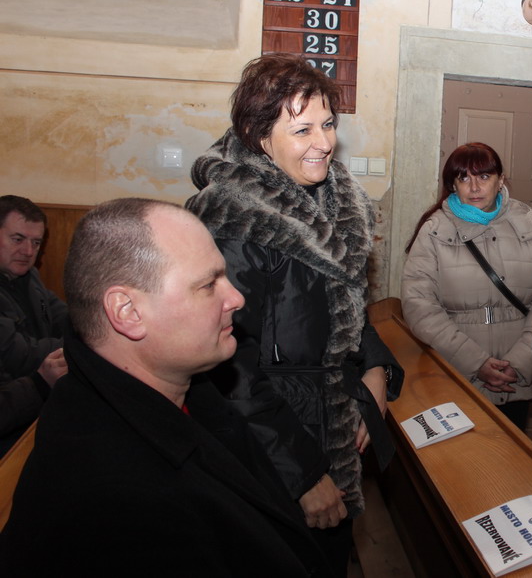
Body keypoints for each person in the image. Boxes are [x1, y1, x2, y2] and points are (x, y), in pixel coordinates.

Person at [0, 199, 330, 575]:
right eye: (208, 284)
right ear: (128, 312)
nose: (236, 299)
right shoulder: (120, 505)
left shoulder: (186, 390)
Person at [187, 53, 404, 574]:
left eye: (328, 124)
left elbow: (345, 307)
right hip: (270, 445)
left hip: (327, 422)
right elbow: (226, 369)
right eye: (302, 129)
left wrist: (375, 367)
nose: (324, 142)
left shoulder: (333, 202)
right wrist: (302, 475)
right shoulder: (234, 220)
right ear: (259, 137)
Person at [402, 142, 532, 430]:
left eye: (483, 176)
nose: (474, 187)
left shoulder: (529, 225)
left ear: (500, 180)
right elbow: (419, 306)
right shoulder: (434, 230)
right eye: (464, 178)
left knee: (512, 453)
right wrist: (475, 362)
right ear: (452, 185)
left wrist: (520, 363)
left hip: (516, 377)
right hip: (456, 374)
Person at [0, 195, 68, 450]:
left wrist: (97, 327)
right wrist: (83, 347)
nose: (28, 252)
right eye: (17, 239)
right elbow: (18, 353)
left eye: (36, 242)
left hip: (32, 405)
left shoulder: (28, 276)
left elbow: (61, 315)